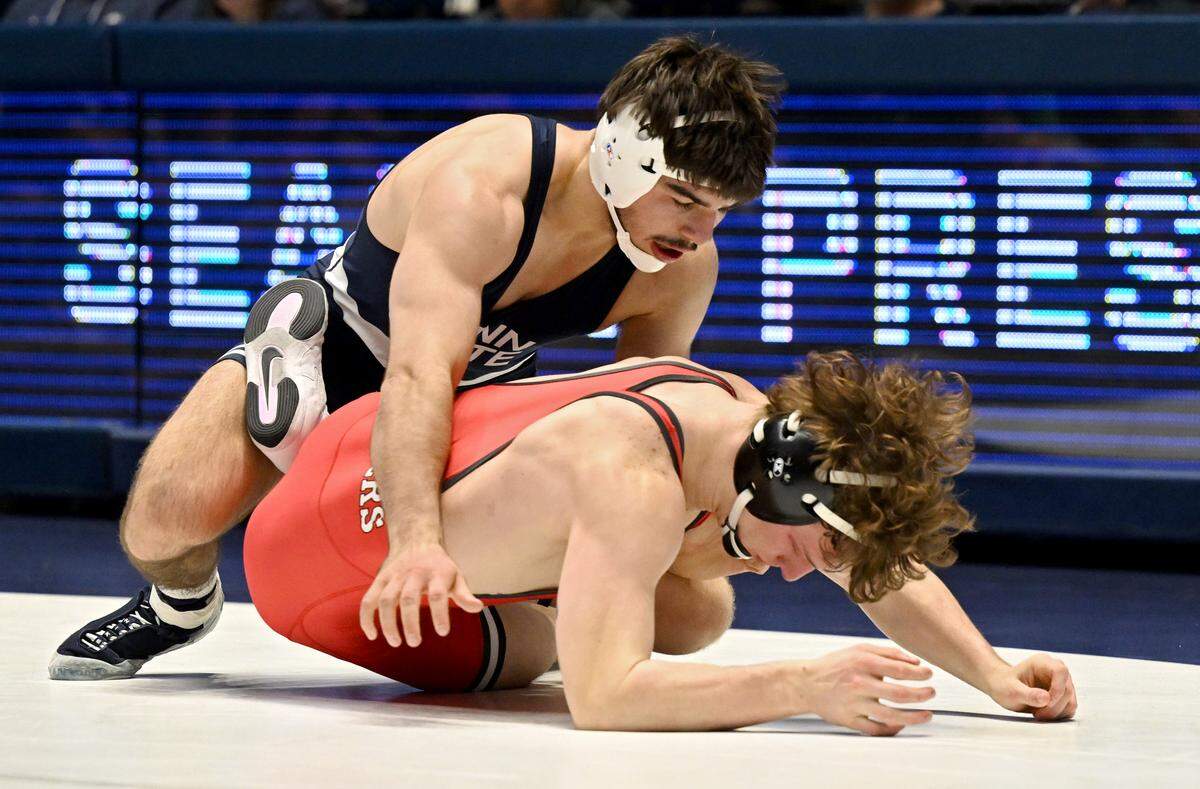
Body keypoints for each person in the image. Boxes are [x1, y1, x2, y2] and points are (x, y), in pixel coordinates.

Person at [49, 35, 784, 680]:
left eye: (721, 210)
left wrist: (691, 531)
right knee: (165, 520)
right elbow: (416, 373)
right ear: (624, 155)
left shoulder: (682, 266)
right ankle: (178, 607)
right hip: (345, 347)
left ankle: (528, 600)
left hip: (480, 395)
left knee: (697, 615)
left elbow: (651, 419)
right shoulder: (486, 184)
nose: (697, 231)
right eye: (685, 197)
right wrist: (417, 544)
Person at [244, 352, 1079, 733]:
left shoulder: (740, 411)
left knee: (702, 605)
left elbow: (866, 562)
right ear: (778, 486)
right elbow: (605, 702)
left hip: (358, 441)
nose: (797, 576)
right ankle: (549, 597)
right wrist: (803, 682)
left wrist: (997, 675)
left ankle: (557, 570)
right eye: (813, 549)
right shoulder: (631, 477)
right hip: (316, 574)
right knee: (561, 649)